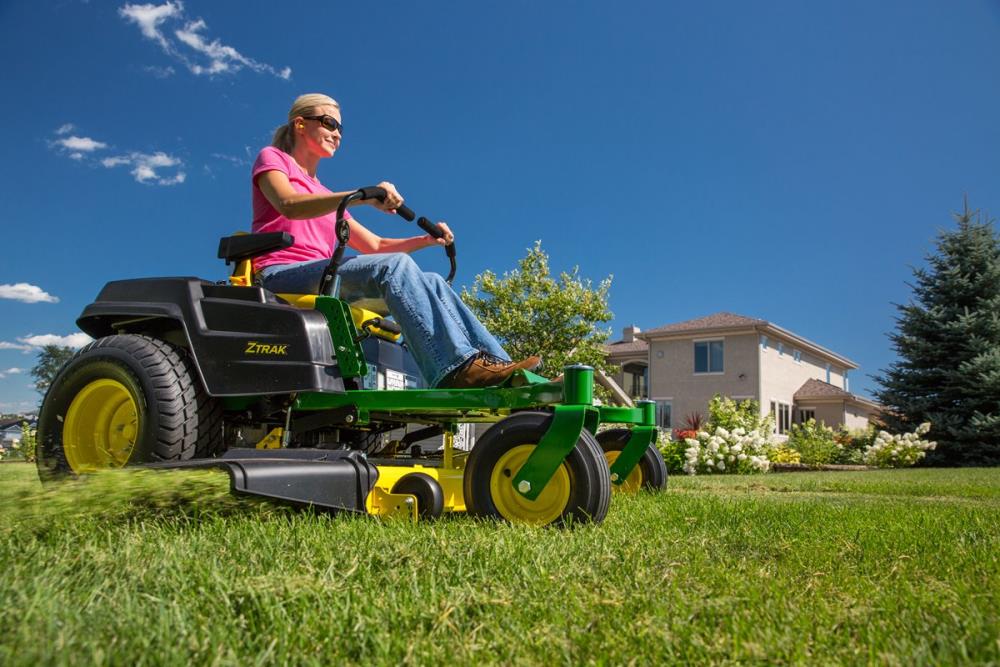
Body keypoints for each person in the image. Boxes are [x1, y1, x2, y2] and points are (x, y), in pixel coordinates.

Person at [251, 93, 539, 389]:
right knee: (394, 267)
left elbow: (375, 246)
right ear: (300, 124)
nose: (337, 133)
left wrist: (426, 239)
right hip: (280, 274)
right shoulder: (274, 159)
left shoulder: (323, 193)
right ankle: (456, 368)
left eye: (340, 128)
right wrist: (363, 197)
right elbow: (288, 203)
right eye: (329, 123)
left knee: (434, 282)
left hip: (325, 277)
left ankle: (506, 373)